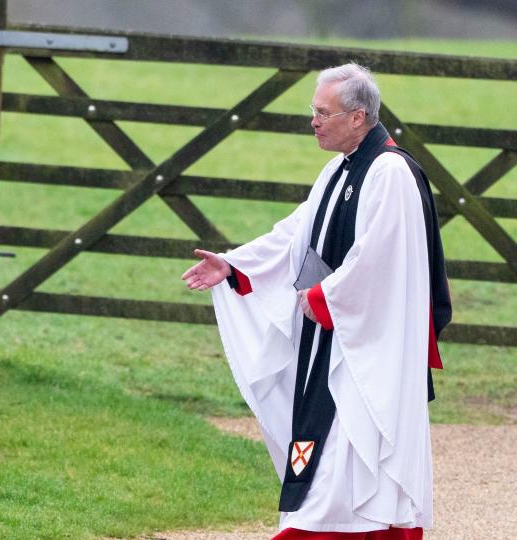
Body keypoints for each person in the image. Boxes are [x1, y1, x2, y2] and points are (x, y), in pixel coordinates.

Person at [181, 63, 451, 539]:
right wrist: (234, 265)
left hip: (368, 356)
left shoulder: (390, 173)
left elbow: (382, 261)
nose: (313, 121)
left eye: (323, 112)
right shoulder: (337, 170)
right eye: (313, 110)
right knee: (325, 464)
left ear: (358, 117)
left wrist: (326, 297)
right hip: (331, 343)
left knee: (352, 465)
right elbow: (295, 237)